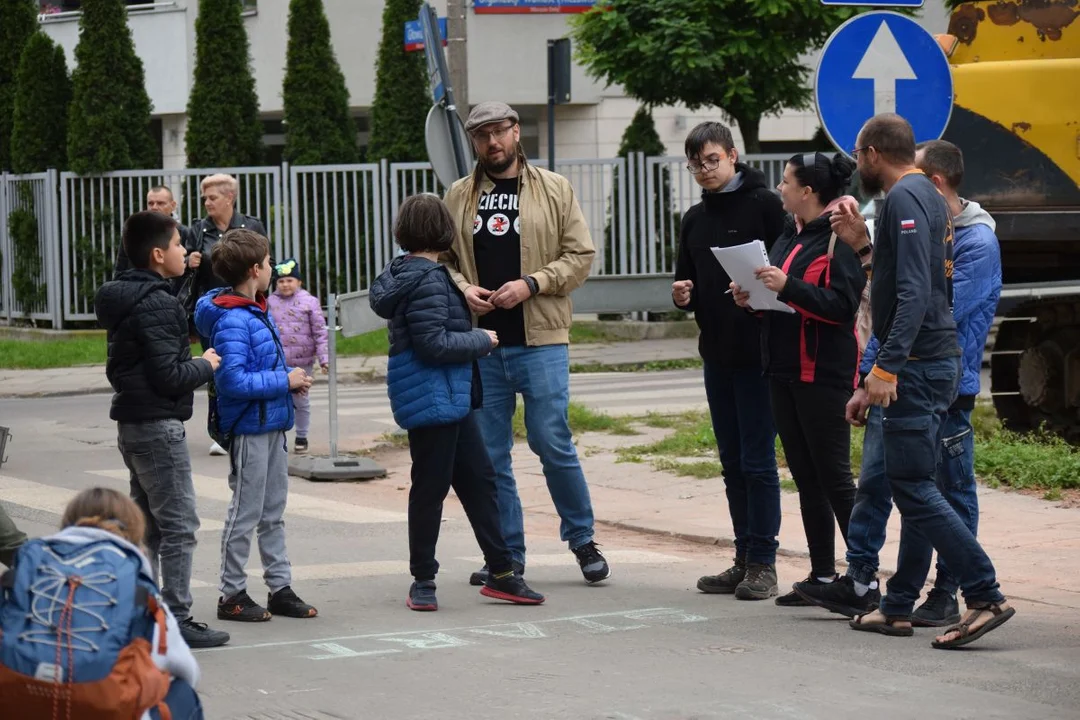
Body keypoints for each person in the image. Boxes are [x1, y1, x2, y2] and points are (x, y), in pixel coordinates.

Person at [794, 138, 1003, 629]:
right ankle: (895, 605)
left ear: (870, 153)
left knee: (921, 489)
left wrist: (886, 370)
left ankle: (981, 592)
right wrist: (864, 249)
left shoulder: (910, 199)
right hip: (912, 365)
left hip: (920, 369)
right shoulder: (920, 201)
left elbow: (916, 297)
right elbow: (898, 290)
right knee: (906, 487)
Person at [441, 101, 609, 586]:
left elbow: (581, 256)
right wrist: (460, 287)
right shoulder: (458, 196)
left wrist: (531, 283)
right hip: (484, 343)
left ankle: (582, 540)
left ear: (517, 133)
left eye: (499, 132)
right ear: (474, 143)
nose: (492, 142)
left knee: (552, 442)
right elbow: (442, 257)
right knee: (491, 455)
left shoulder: (555, 188)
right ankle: (507, 555)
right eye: (482, 135)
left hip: (542, 340)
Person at [370, 194, 546, 611]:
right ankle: (423, 581)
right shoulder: (429, 278)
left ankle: (502, 572)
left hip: (448, 395)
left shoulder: (406, 272)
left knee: (479, 481)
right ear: (442, 231)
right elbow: (433, 343)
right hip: (435, 393)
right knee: (430, 489)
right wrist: (480, 340)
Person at [732, 152, 865, 606]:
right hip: (783, 369)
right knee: (807, 478)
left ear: (808, 191)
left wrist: (787, 286)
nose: (780, 187)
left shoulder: (839, 236)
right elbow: (781, 296)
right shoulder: (791, 232)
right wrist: (751, 296)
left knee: (835, 479)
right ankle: (824, 577)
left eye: (787, 181)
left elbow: (842, 307)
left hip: (823, 373)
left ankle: (864, 581)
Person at [93, 211, 230, 650]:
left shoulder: (131, 296)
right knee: (179, 524)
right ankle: (174, 616)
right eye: (176, 246)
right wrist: (205, 365)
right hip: (155, 425)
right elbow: (169, 375)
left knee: (146, 525)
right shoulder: (155, 301)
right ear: (157, 254)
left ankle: (145, 612)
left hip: (135, 423)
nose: (184, 253)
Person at [673, 121, 787, 601]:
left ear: (733, 156)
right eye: (696, 164)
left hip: (760, 352)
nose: (704, 170)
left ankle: (764, 562)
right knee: (731, 461)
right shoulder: (694, 219)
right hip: (716, 352)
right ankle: (742, 558)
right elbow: (687, 281)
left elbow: (790, 269)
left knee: (759, 462)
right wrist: (683, 295)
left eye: (712, 160)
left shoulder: (765, 205)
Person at [194, 228, 318, 624]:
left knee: (273, 512)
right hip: (249, 429)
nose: (270, 269)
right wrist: (286, 380)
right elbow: (232, 380)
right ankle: (231, 593)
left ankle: (279, 588)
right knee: (245, 513)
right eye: (267, 264)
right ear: (254, 270)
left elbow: (258, 367)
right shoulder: (234, 319)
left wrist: (287, 373)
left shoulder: (255, 310)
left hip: (272, 426)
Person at [0, 487, 203, 720]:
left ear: (68, 524)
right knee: (183, 692)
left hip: (19, 701)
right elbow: (188, 671)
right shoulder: (136, 588)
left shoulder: (27, 574)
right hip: (106, 707)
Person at [188, 174, 268, 457]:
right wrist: (190, 261)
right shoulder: (198, 230)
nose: (207, 203)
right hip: (214, 310)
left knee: (249, 365)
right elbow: (185, 272)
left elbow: (263, 264)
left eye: (213, 197)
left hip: (247, 308)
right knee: (217, 371)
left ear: (229, 198)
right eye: (205, 198)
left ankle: (250, 423)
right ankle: (220, 428)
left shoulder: (252, 226)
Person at [267, 259, 329, 455]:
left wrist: (324, 358)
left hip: (303, 363)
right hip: (278, 363)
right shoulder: (270, 303)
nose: (285, 284)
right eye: (281, 281)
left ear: (299, 282)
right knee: (277, 400)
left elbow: (320, 332)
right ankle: (278, 437)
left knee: (301, 401)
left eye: (290, 280)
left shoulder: (309, 302)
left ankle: (301, 436)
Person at [113, 185, 193, 278]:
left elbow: (190, 265)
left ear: (173, 205)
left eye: (160, 203)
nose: (154, 207)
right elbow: (121, 267)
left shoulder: (184, 233)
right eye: (150, 203)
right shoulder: (134, 232)